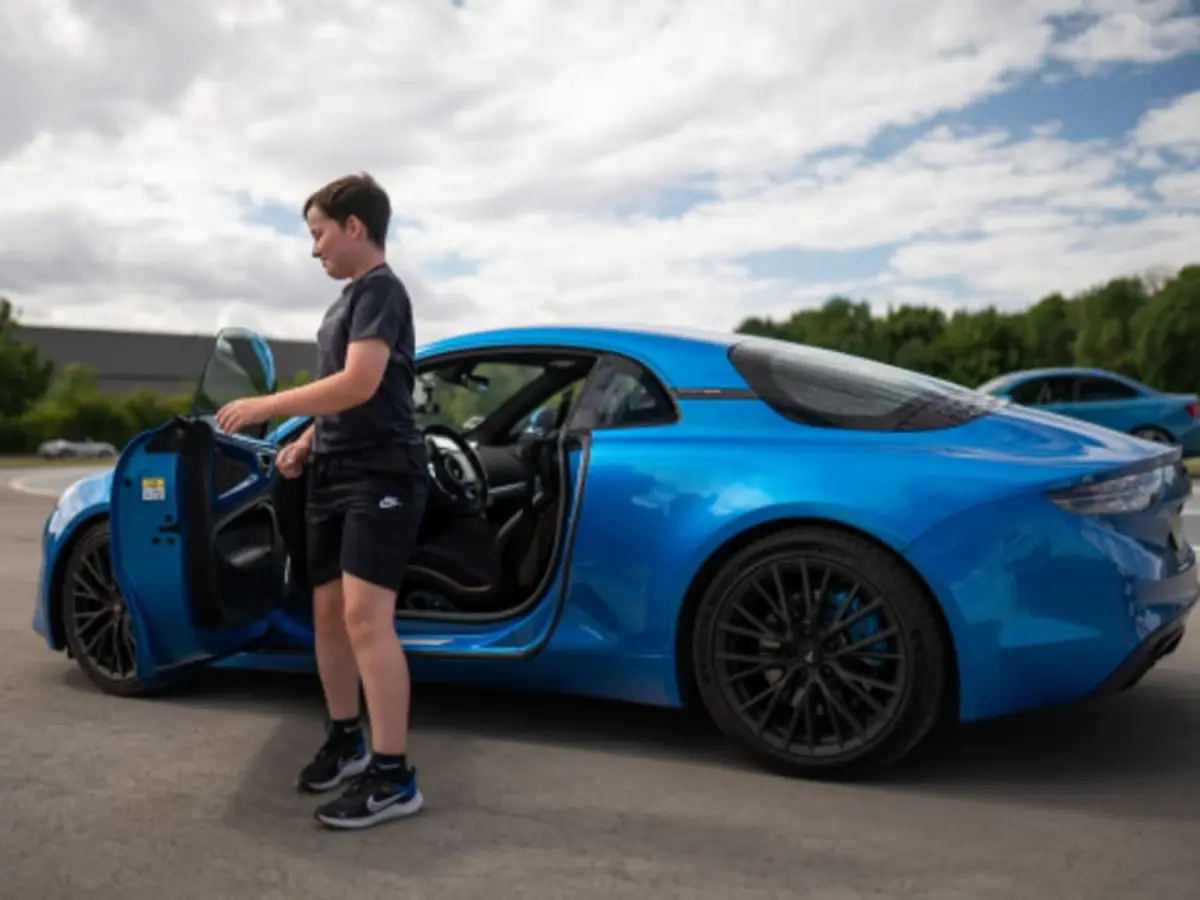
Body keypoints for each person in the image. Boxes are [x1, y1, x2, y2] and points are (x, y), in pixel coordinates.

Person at [215, 172, 429, 830]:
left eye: (319, 233)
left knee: (366, 620)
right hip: (333, 470)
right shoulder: (346, 302)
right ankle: (346, 739)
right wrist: (307, 440)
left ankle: (393, 777)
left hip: (381, 473)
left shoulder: (382, 290)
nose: (314, 249)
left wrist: (266, 408)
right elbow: (349, 394)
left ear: (354, 226)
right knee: (328, 616)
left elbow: (360, 383)